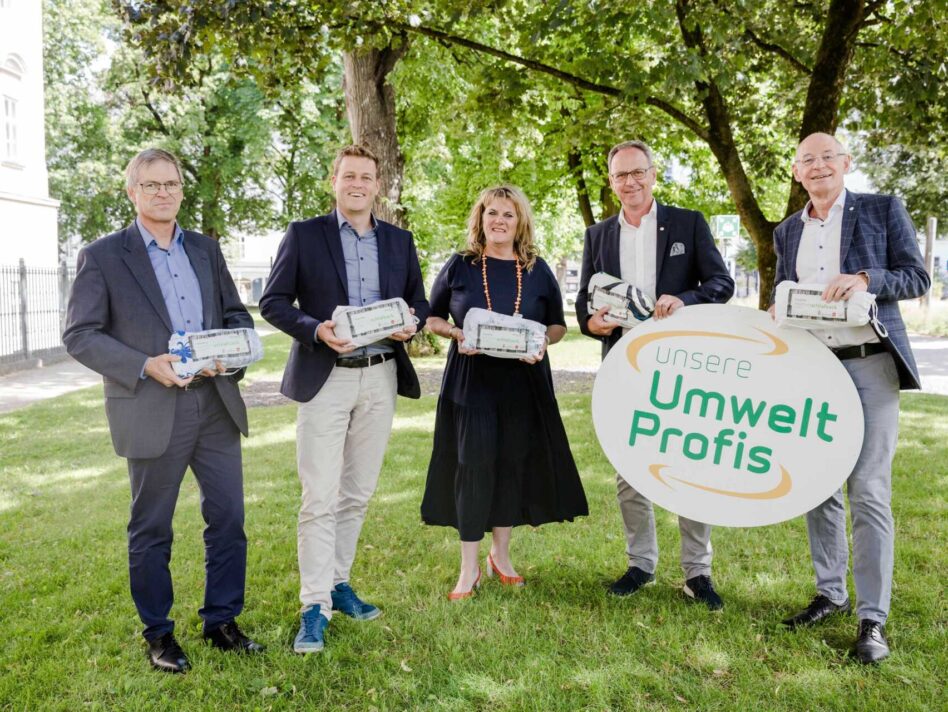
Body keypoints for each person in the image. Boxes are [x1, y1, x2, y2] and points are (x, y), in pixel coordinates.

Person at [62, 148, 263, 674]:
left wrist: (233, 351)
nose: (163, 193)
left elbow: (236, 313)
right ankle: (159, 634)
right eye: (150, 185)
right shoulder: (104, 256)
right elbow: (80, 335)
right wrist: (143, 365)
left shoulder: (205, 249)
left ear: (180, 189)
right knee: (152, 528)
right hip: (152, 408)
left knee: (229, 520)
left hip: (214, 402)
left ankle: (222, 622)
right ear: (132, 192)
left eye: (171, 183)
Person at [259, 144, 430, 653]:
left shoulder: (399, 240)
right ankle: (314, 605)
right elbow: (272, 303)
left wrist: (410, 323)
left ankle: (339, 582)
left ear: (378, 185)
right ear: (334, 181)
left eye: (367, 176)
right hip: (326, 376)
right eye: (348, 175)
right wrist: (317, 330)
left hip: (380, 377)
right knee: (320, 497)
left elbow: (418, 301)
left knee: (357, 493)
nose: (358, 183)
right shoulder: (304, 235)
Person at [773, 132, 929, 663]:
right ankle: (830, 593)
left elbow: (917, 277)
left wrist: (866, 278)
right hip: (813, 370)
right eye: (807, 161)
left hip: (871, 364)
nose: (817, 168)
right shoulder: (785, 230)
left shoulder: (883, 210)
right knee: (817, 485)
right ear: (796, 172)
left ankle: (872, 620)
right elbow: (781, 294)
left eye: (827, 158)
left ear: (846, 162)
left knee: (867, 489)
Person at [575, 140, 735, 609]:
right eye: (621, 175)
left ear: (653, 173)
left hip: (684, 367)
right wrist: (593, 323)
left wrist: (686, 300)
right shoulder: (597, 235)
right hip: (625, 365)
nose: (631, 182)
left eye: (638, 172)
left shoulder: (688, 222)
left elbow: (720, 284)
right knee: (630, 469)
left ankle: (697, 573)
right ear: (611, 182)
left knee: (689, 464)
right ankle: (640, 564)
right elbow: (587, 304)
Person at [421, 185, 588, 599]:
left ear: (521, 222)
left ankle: (502, 556)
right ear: (480, 218)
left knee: (512, 465)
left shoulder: (536, 268)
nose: (499, 220)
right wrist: (455, 332)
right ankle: (468, 568)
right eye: (491, 212)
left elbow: (558, 325)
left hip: (523, 383)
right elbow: (430, 317)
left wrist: (544, 343)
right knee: (472, 468)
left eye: (508, 215)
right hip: (471, 382)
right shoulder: (460, 265)